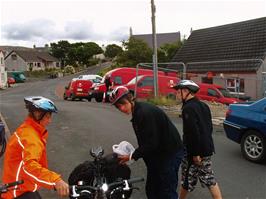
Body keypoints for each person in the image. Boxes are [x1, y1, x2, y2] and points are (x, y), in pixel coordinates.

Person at [109, 86, 184, 199]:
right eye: (119, 107)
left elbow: (151, 143)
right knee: (152, 189)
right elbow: (147, 142)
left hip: (169, 153)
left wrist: (132, 156)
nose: (122, 109)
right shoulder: (137, 112)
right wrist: (134, 155)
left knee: (166, 190)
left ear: (130, 99)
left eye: (123, 104)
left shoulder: (144, 113)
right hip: (157, 155)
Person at [2, 96, 69, 199]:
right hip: (18, 192)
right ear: (37, 114)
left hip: (21, 186)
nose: (50, 121)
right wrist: (55, 180)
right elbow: (30, 166)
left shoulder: (28, 129)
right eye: (47, 116)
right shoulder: (30, 137)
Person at [172, 80, 222, 199]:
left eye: (178, 92)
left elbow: (192, 133)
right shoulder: (203, 105)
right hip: (206, 149)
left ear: (186, 91)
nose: (177, 94)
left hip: (194, 152)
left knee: (187, 179)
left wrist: (195, 154)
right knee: (209, 179)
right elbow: (208, 128)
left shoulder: (188, 108)